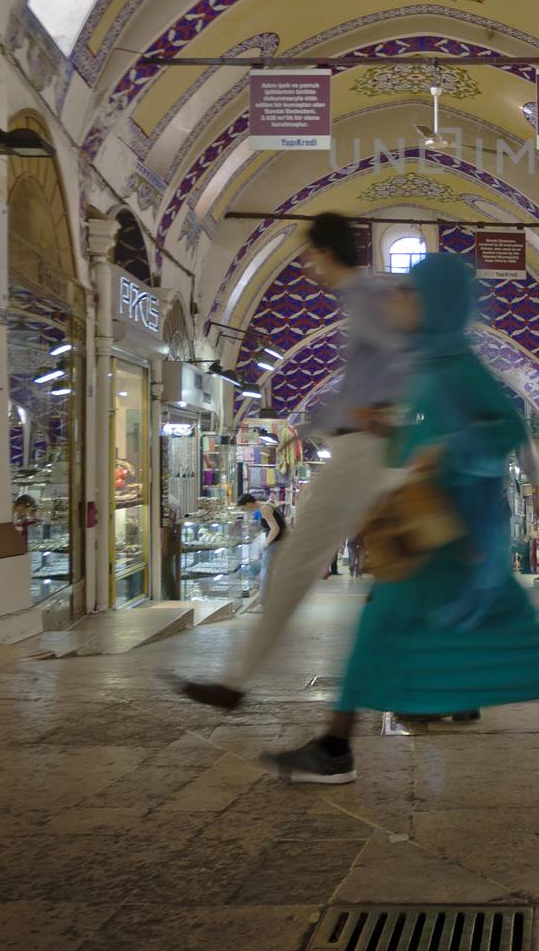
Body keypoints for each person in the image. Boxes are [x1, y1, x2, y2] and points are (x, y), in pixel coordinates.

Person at [269, 254, 539, 783]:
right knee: (469, 634)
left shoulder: (457, 366)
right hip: (437, 536)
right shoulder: (430, 363)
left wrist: (444, 453)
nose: (400, 302)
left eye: (411, 293)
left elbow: (504, 430)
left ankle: (336, 747)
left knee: (392, 630)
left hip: (454, 539)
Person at [176, 212, 410, 711]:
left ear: (326, 252)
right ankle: (239, 683)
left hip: (360, 450)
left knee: (297, 564)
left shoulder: (366, 296)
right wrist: (303, 429)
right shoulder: (362, 298)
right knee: (389, 570)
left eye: (309, 254)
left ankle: (236, 684)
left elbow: (401, 353)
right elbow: (355, 385)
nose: (307, 265)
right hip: (361, 446)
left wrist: (388, 406)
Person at [239, 492, 286, 604]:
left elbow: (275, 528)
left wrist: (266, 544)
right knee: (271, 572)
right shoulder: (269, 504)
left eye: (244, 508)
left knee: (266, 573)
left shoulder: (264, 509)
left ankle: (263, 603)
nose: (245, 511)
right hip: (280, 542)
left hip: (275, 543)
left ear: (249, 504)